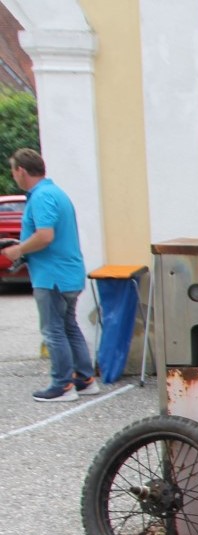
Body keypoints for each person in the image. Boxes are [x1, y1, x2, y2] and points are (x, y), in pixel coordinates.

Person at [5, 148, 92, 402]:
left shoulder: (41, 197)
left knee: (53, 330)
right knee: (69, 327)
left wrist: (18, 249)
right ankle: (84, 379)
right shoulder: (55, 193)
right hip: (68, 273)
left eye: (13, 170)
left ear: (21, 170)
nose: (13, 176)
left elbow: (45, 236)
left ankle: (62, 385)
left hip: (51, 276)